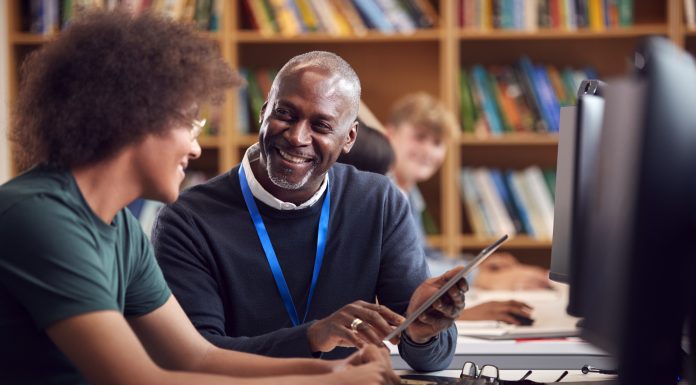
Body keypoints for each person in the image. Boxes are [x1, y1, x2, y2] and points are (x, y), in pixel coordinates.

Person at [0, 11, 399, 385]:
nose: (195, 148)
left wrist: (332, 370)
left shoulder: (120, 228)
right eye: (190, 123)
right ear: (134, 118)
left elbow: (196, 357)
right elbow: (138, 379)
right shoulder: (40, 217)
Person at [153, 51, 467, 372]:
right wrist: (313, 337)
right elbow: (194, 356)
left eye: (321, 125)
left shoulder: (380, 202)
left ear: (349, 139)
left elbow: (431, 359)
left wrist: (422, 333)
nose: (297, 137)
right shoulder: (187, 218)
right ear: (263, 113)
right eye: (285, 114)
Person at [383, 93, 552, 322]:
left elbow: (423, 254)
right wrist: (480, 277)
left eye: (437, 142)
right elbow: (404, 269)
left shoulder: (409, 192)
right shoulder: (380, 194)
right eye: (419, 137)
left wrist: (472, 264)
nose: (428, 151)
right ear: (389, 134)